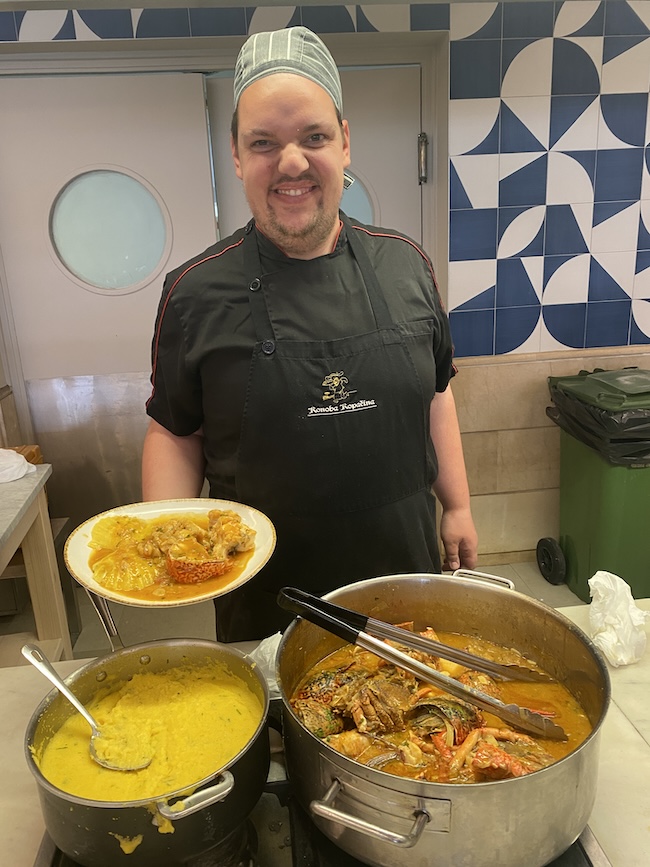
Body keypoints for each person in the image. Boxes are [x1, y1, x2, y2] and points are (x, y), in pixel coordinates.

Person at [142, 26, 478, 642]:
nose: (292, 162)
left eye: (314, 137)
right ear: (237, 156)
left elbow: (436, 394)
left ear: (345, 143)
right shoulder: (194, 292)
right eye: (264, 142)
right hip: (265, 604)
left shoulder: (407, 265)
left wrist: (456, 506)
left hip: (403, 585)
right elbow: (175, 430)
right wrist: (168, 552)